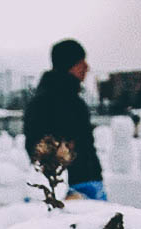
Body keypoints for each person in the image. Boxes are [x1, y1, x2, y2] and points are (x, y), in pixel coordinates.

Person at [24, 38, 106, 201]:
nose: (87, 68)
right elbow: (37, 148)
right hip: (72, 189)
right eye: (81, 62)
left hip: (86, 183)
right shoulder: (48, 102)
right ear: (69, 65)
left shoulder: (71, 99)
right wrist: (60, 190)